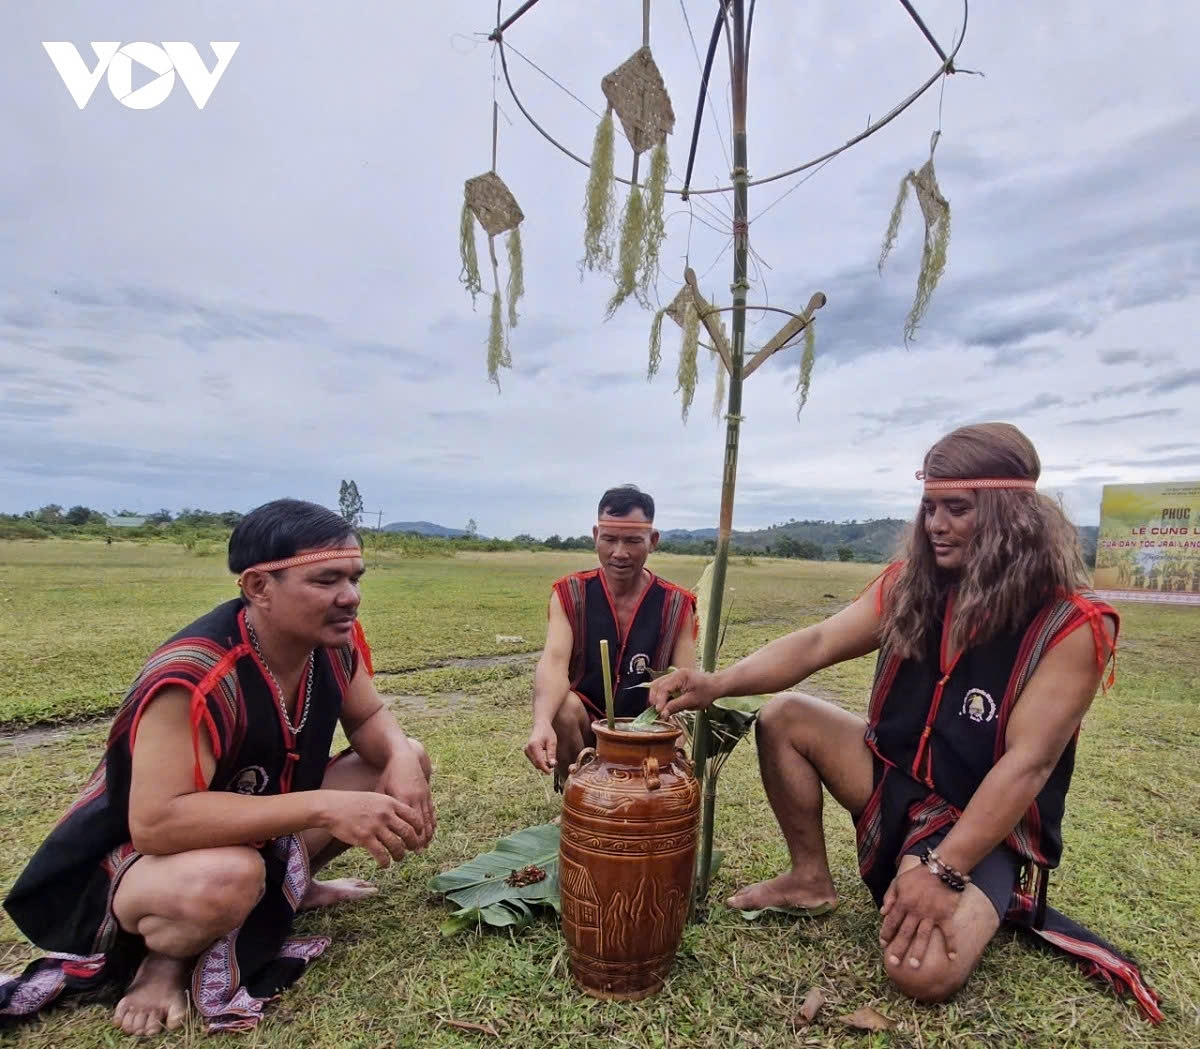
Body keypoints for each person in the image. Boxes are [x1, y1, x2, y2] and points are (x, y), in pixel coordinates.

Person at [647, 423, 1163, 1023]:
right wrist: (715, 682)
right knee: (786, 715)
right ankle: (810, 879)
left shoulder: (1072, 625)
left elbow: (1030, 764)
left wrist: (945, 869)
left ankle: (971, 889)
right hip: (896, 781)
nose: (935, 525)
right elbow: (817, 641)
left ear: (1010, 517)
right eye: (929, 508)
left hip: (980, 821)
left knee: (920, 974)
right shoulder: (909, 586)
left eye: (957, 509)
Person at [1, 499, 436, 1036]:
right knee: (228, 874)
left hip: (248, 832)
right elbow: (158, 825)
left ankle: (293, 888)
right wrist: (326, 803)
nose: (350, 597)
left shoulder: (328, 644)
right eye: (327, 580)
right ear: (258, 587)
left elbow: (369, 715)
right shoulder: (194, 675)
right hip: (139, 866)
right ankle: (162, 958)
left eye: (354, 578)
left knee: (401, 756)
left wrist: (401, 758)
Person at [524, 485, 698, 786]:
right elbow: (553, 663)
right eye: (609, 539)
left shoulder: (678, 604)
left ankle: (648, 791)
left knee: (675, 716)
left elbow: (685, 684)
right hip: (587, 724)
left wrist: (675, 743)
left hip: (647, 727)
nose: (619, 553)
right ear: (595, 537)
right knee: (561, 708)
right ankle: (578, 796)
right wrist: (541, 723)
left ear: (652, 541)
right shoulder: (570, 593)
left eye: (632, 540)